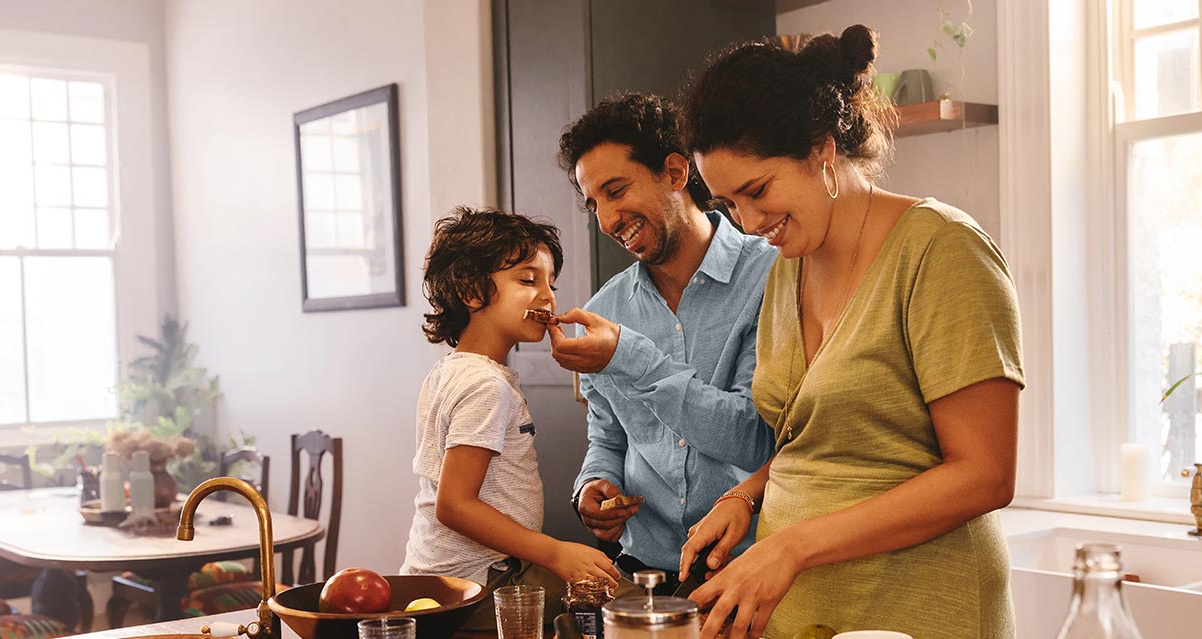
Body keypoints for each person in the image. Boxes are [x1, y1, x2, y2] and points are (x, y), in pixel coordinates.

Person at [675, 25, 1025, 639]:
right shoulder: (790, 266)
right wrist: (746, 498)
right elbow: (822, 440)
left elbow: (985, 473)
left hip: (918, 611)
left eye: (757, 191)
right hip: (803, 615)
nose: (750, 222)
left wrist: (792, 548)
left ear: (822, 147)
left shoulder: (942, 251)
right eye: (730, 205)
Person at [547, 93, 776, 590]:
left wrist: (629, 358)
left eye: (616, 190)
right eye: (594, 204)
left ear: (675, 172)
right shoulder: (605, 309)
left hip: (750, 573)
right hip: (643, 574)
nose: (607, 221)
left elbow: (754, 441)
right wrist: (591, 488)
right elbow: (608, 437)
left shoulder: (772, 275)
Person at [402, 206, 626, 631]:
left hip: (450, 575)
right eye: (527, 280)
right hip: (483, 581)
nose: (548, 296)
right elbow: (454, 505)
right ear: (471, 291)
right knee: (625, 606)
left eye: (550, 283)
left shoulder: (453, 369)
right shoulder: (486, 385)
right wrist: (556, 552)